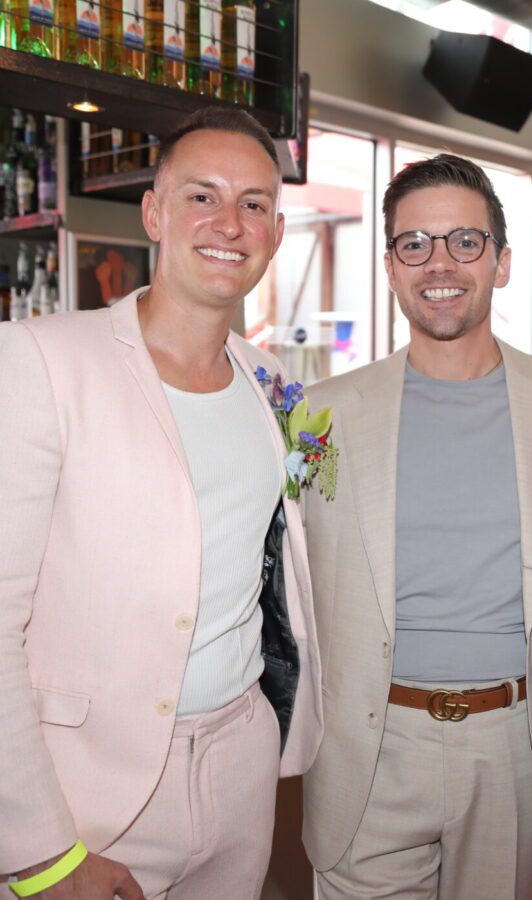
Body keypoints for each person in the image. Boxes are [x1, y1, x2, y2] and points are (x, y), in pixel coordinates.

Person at [0, 107, 323, 899]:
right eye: (201, 196)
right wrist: (39, 849)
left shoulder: (279, 385)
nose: (229, 223)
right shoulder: (42, 360)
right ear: (154, 211)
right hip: (85, 789)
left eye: (253, 204)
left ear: (275, 233)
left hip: (243, 768)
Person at [301, 153, 532, 898]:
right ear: (389, 266)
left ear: (502, 262)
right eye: (414, 244)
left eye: (464, 242)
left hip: (513, 748)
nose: (438, 263)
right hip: (368, 749)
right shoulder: (318, 413)